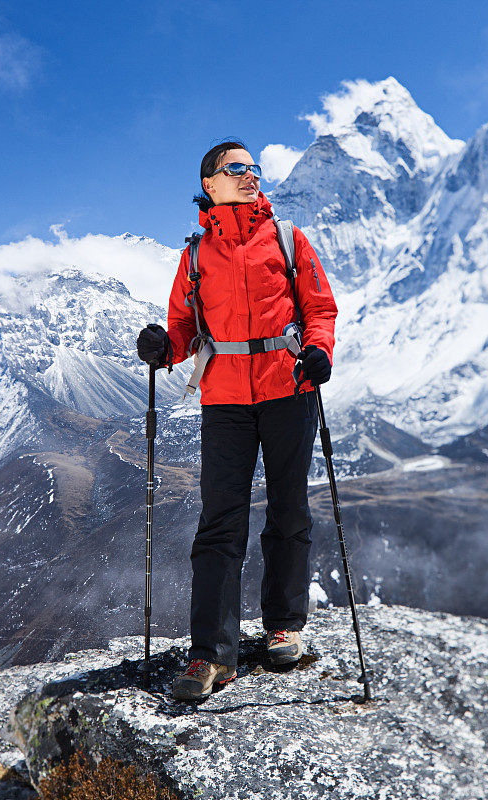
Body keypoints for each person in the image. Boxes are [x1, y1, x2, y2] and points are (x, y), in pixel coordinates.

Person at [136, 139, 338, 701]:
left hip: (286, 388)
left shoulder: (286, 238)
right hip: (224, 400)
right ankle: (210, 654)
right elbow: (184, 328)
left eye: (254, 168)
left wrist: (319, 350)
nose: (251, 176)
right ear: (211, 185)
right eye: (237, 169)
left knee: (289, 508)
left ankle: (284, 626)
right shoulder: (197, 255)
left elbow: (319, 309)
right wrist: (162, 346)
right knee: (221, 521)